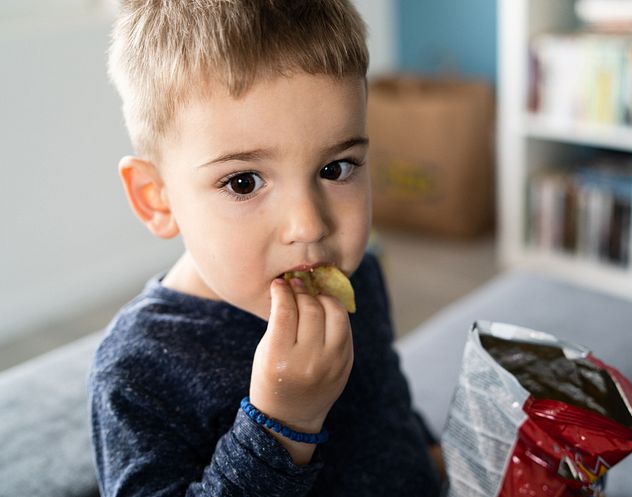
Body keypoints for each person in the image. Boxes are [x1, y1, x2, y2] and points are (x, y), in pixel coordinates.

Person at [87, 1, 442, 495]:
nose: (308, 226)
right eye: (243, 181)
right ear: (157, 198)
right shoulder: (138, 369)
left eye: (335, 168)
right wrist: (281, 424)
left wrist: (428, 454)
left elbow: (383, 396)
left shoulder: (354, 274)